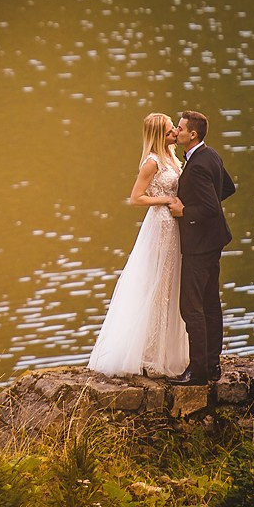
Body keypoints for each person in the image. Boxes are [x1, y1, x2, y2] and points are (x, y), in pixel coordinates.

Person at [87, 113, 190, 378]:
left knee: (171, 286)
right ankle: (149, 354)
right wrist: (165, 200)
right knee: (158, 286)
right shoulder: (152, 162)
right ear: (158, 135)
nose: (174, 133)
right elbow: (136, 198)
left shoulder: (171, 156)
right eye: (169, 130)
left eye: (174, 129)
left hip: (174, 226)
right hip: (161, 226)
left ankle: (168, 352)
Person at [163, 109, 236, 385]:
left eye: (180, 128)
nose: (176, 131)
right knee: (210, 304)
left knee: (191, 307)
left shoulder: (198, 166)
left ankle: (198, 372)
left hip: (200, 245)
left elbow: (210, 208)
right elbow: (227, 188)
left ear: (192, 134)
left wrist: (185, 211)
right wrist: (203, 202)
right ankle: (212, 366)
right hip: (213, 241)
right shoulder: (210, 155)